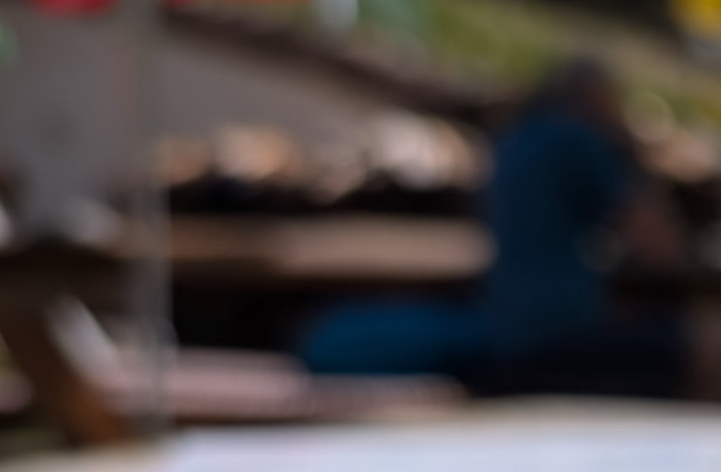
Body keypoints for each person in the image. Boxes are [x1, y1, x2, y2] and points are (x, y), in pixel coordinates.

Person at [297, 56, 693, 394]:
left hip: (505, 317)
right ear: (594, 98)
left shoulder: (515, 139)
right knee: (702, 346)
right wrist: (626, 147)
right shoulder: (578, 139)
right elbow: (662, 249)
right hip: (552, 331)